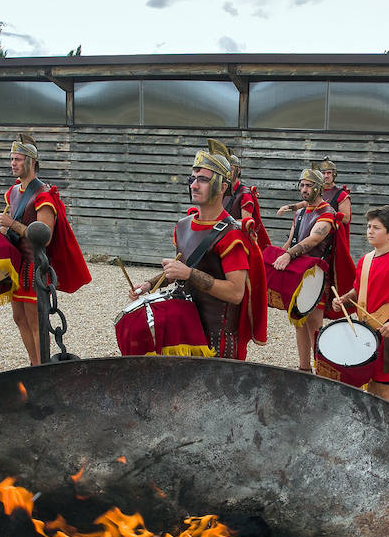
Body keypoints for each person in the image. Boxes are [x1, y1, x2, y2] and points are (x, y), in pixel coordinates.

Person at [131, 139, 267, 359]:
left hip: (217, 341)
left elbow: (235, 293)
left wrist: (189, 274)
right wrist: (148, 285)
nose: (194, 185)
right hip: (185, 331)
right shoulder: (184, 225)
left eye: (203, 180)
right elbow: (183, 268)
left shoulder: (232, 235)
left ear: (223, 186)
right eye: (192, 179)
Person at [0, 133, 91, 366]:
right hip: (16, 265)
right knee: (19, 318)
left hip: (34, 268)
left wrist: (12, 225)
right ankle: (33, 366)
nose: (13, 163)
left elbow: (44, 237)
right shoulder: (13, 192)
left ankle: (41, 368)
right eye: (12, 159)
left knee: (35, 321)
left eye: (18, 159)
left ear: (30, 162)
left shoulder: (43, 195)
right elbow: (7, 221)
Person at [333, 206, 389, 403]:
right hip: (366, 332)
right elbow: (358, 291)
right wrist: (344, 299)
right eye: (368, 226)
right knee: (370, 387)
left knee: (384, 389)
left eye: (376, 227)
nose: (370, 231)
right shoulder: (365, 260)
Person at [273, 166, 354, 371]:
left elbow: (314, 239)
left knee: (315, 323)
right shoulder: (300, 212)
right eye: (301, 185)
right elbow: (292, 241)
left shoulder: (328, 213)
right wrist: (277, 258)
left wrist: (289, 255)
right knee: (298, 320)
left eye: (309, 185)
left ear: (318, 188)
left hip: (316, 273)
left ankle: (321, 368)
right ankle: (304, 368)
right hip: (298, 271)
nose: (304, 189)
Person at [221, 153, 271, 248]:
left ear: (238, 170)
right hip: (222, 238)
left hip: (238, 242)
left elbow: (245, 222)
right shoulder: (221, 191)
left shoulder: (244, 193)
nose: (227, 172)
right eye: (225, 169)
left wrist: (222, 223)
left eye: (231, 169)